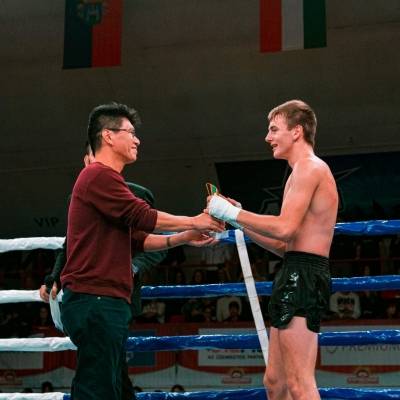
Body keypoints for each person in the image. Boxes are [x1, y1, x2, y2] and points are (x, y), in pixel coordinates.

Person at [59, 102, 223, 400]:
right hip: (96, 298)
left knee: (113, 387)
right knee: (96, 389)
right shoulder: (97, 175)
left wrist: (185, 236)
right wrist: (194, 221)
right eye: (131, 132)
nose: (137, 140)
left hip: (103, 299)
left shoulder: (109, 181)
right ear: (108, 136)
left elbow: (139, 240)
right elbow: (142, 215)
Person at [207, 100, 338, 400]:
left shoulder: (310, 168)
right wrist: (237, 219)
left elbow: (285, 228)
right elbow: (283, 245)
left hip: (305, 275)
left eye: (274, 129)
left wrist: (231, 212)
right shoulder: (297, 172)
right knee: (275, 382)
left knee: (299, 383)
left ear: (297, 131)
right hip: (294, 268)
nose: (268, 137)